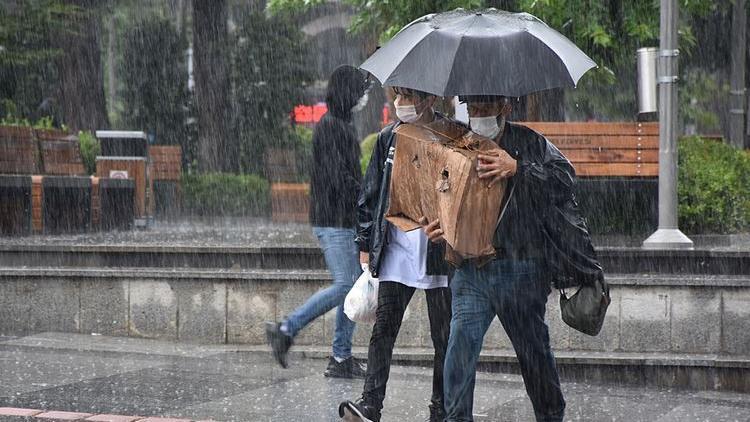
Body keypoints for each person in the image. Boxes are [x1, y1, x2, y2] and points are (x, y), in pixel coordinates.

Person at [432, 95, 603, 422]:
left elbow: (564, 180)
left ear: (505, 108)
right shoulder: (458, 146)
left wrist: (518, 168)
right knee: (458, 351)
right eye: (474, 109)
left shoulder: (529, 142)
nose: (479, 115)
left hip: (520, 266)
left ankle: (550, 414)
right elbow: (440, 197)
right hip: (470, 270)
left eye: (486, 108)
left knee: (533, 352)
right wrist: (438, 226)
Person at [338, 87, 459, 422]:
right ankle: (370, 405)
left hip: (437, 250)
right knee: (383, 331)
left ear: (429, 100)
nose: (401, 104)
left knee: (444, 336)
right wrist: (365, 243)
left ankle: (441, 408)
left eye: (409, 96)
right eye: (399, 96)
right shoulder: (388, 138)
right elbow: (370, 192)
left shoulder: (452, 137)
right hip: (397, 250)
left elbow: (462, 190)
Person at [266, 65, 370, 378]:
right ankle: (286, 328)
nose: (363, 97)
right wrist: (367, 194)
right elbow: (339, 177)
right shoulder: (330, 126)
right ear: (348, 92)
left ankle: (340, 358)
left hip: (343, 218)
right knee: (345, 287)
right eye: (360, 91)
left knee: (351, 289)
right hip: (333, 220)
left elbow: (346, 175)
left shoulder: (341, 124)